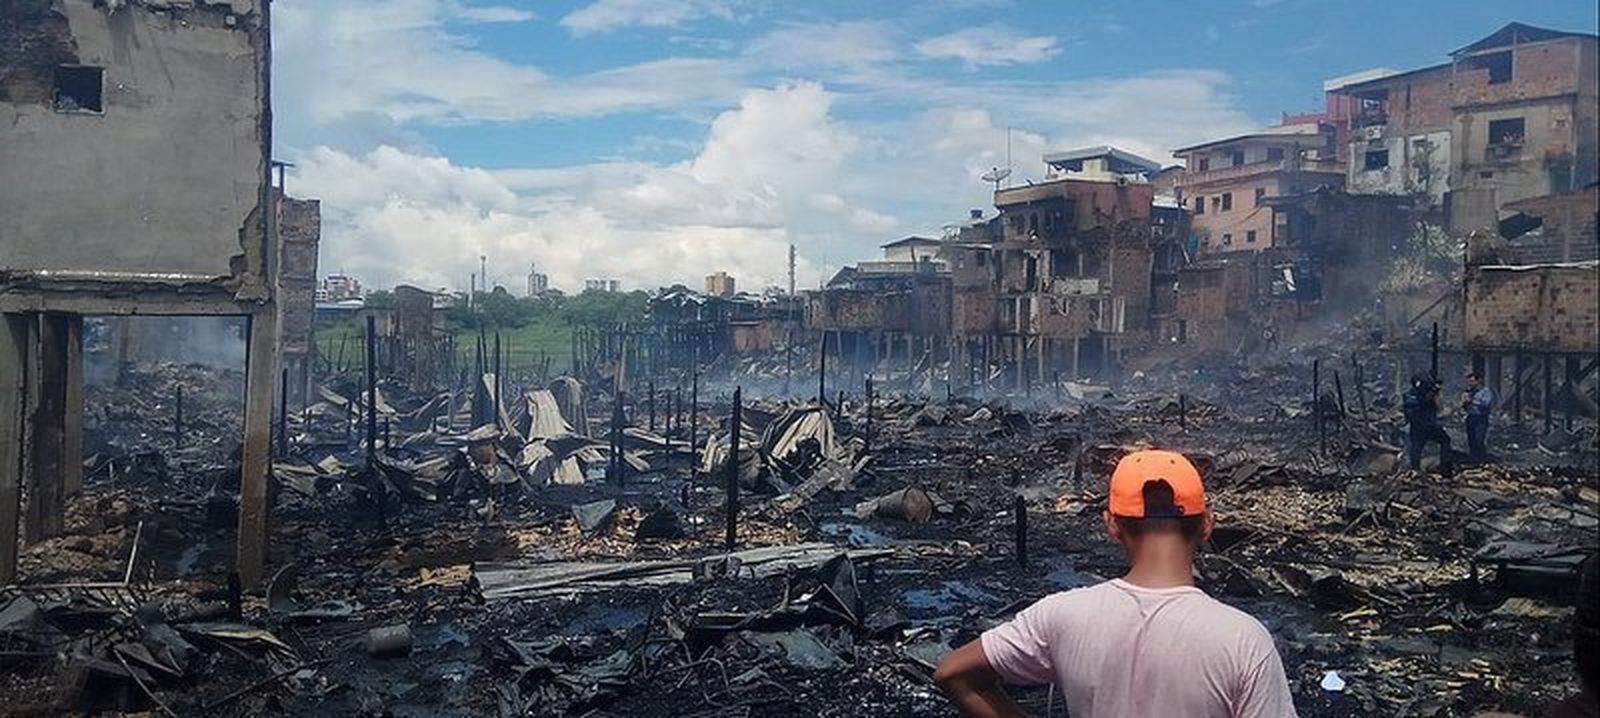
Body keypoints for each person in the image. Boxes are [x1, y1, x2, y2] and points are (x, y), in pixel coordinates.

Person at [934, 450, 1296, 717]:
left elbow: (953, 673)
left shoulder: (1062, 615)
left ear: (1111, 525)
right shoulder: (1243, 641)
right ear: (1206, 524)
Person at [1403, 373, 1453, 473]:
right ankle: (1445, 469)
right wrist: (1436, 393)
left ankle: (1415, 470)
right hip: (1428, 425)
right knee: (1445, 440)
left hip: (1415, 425)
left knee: (1416, 447)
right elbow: (1439, 407)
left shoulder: (1409, 394)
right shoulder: (1429, 393)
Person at [1461, 370, 1495, 463]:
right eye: (1469, 382)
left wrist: (1472, 401)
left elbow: (1486, 404)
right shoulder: (1469, 392)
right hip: (1471, 417)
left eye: (1472, 381)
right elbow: (1465, 407)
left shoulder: (1485, 391)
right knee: (1471, 440)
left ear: (1478, 381)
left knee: (1479, 440)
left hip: (1481, 418)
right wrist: (1464, 403)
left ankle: (1482, 459)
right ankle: (1473, 459)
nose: (1470, 384)